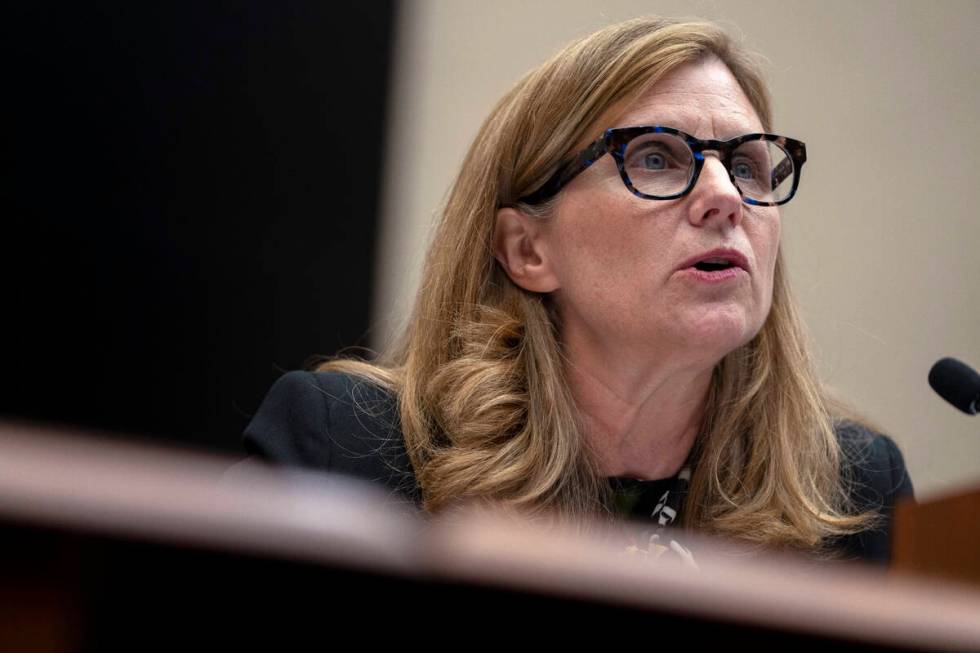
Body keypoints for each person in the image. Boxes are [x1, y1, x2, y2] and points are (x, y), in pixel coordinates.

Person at [240, 16, 914, 564]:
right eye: (656, 157)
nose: (724, 198)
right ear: (528, 250)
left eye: (747, 165)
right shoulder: (346, 451)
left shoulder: (852, 494)